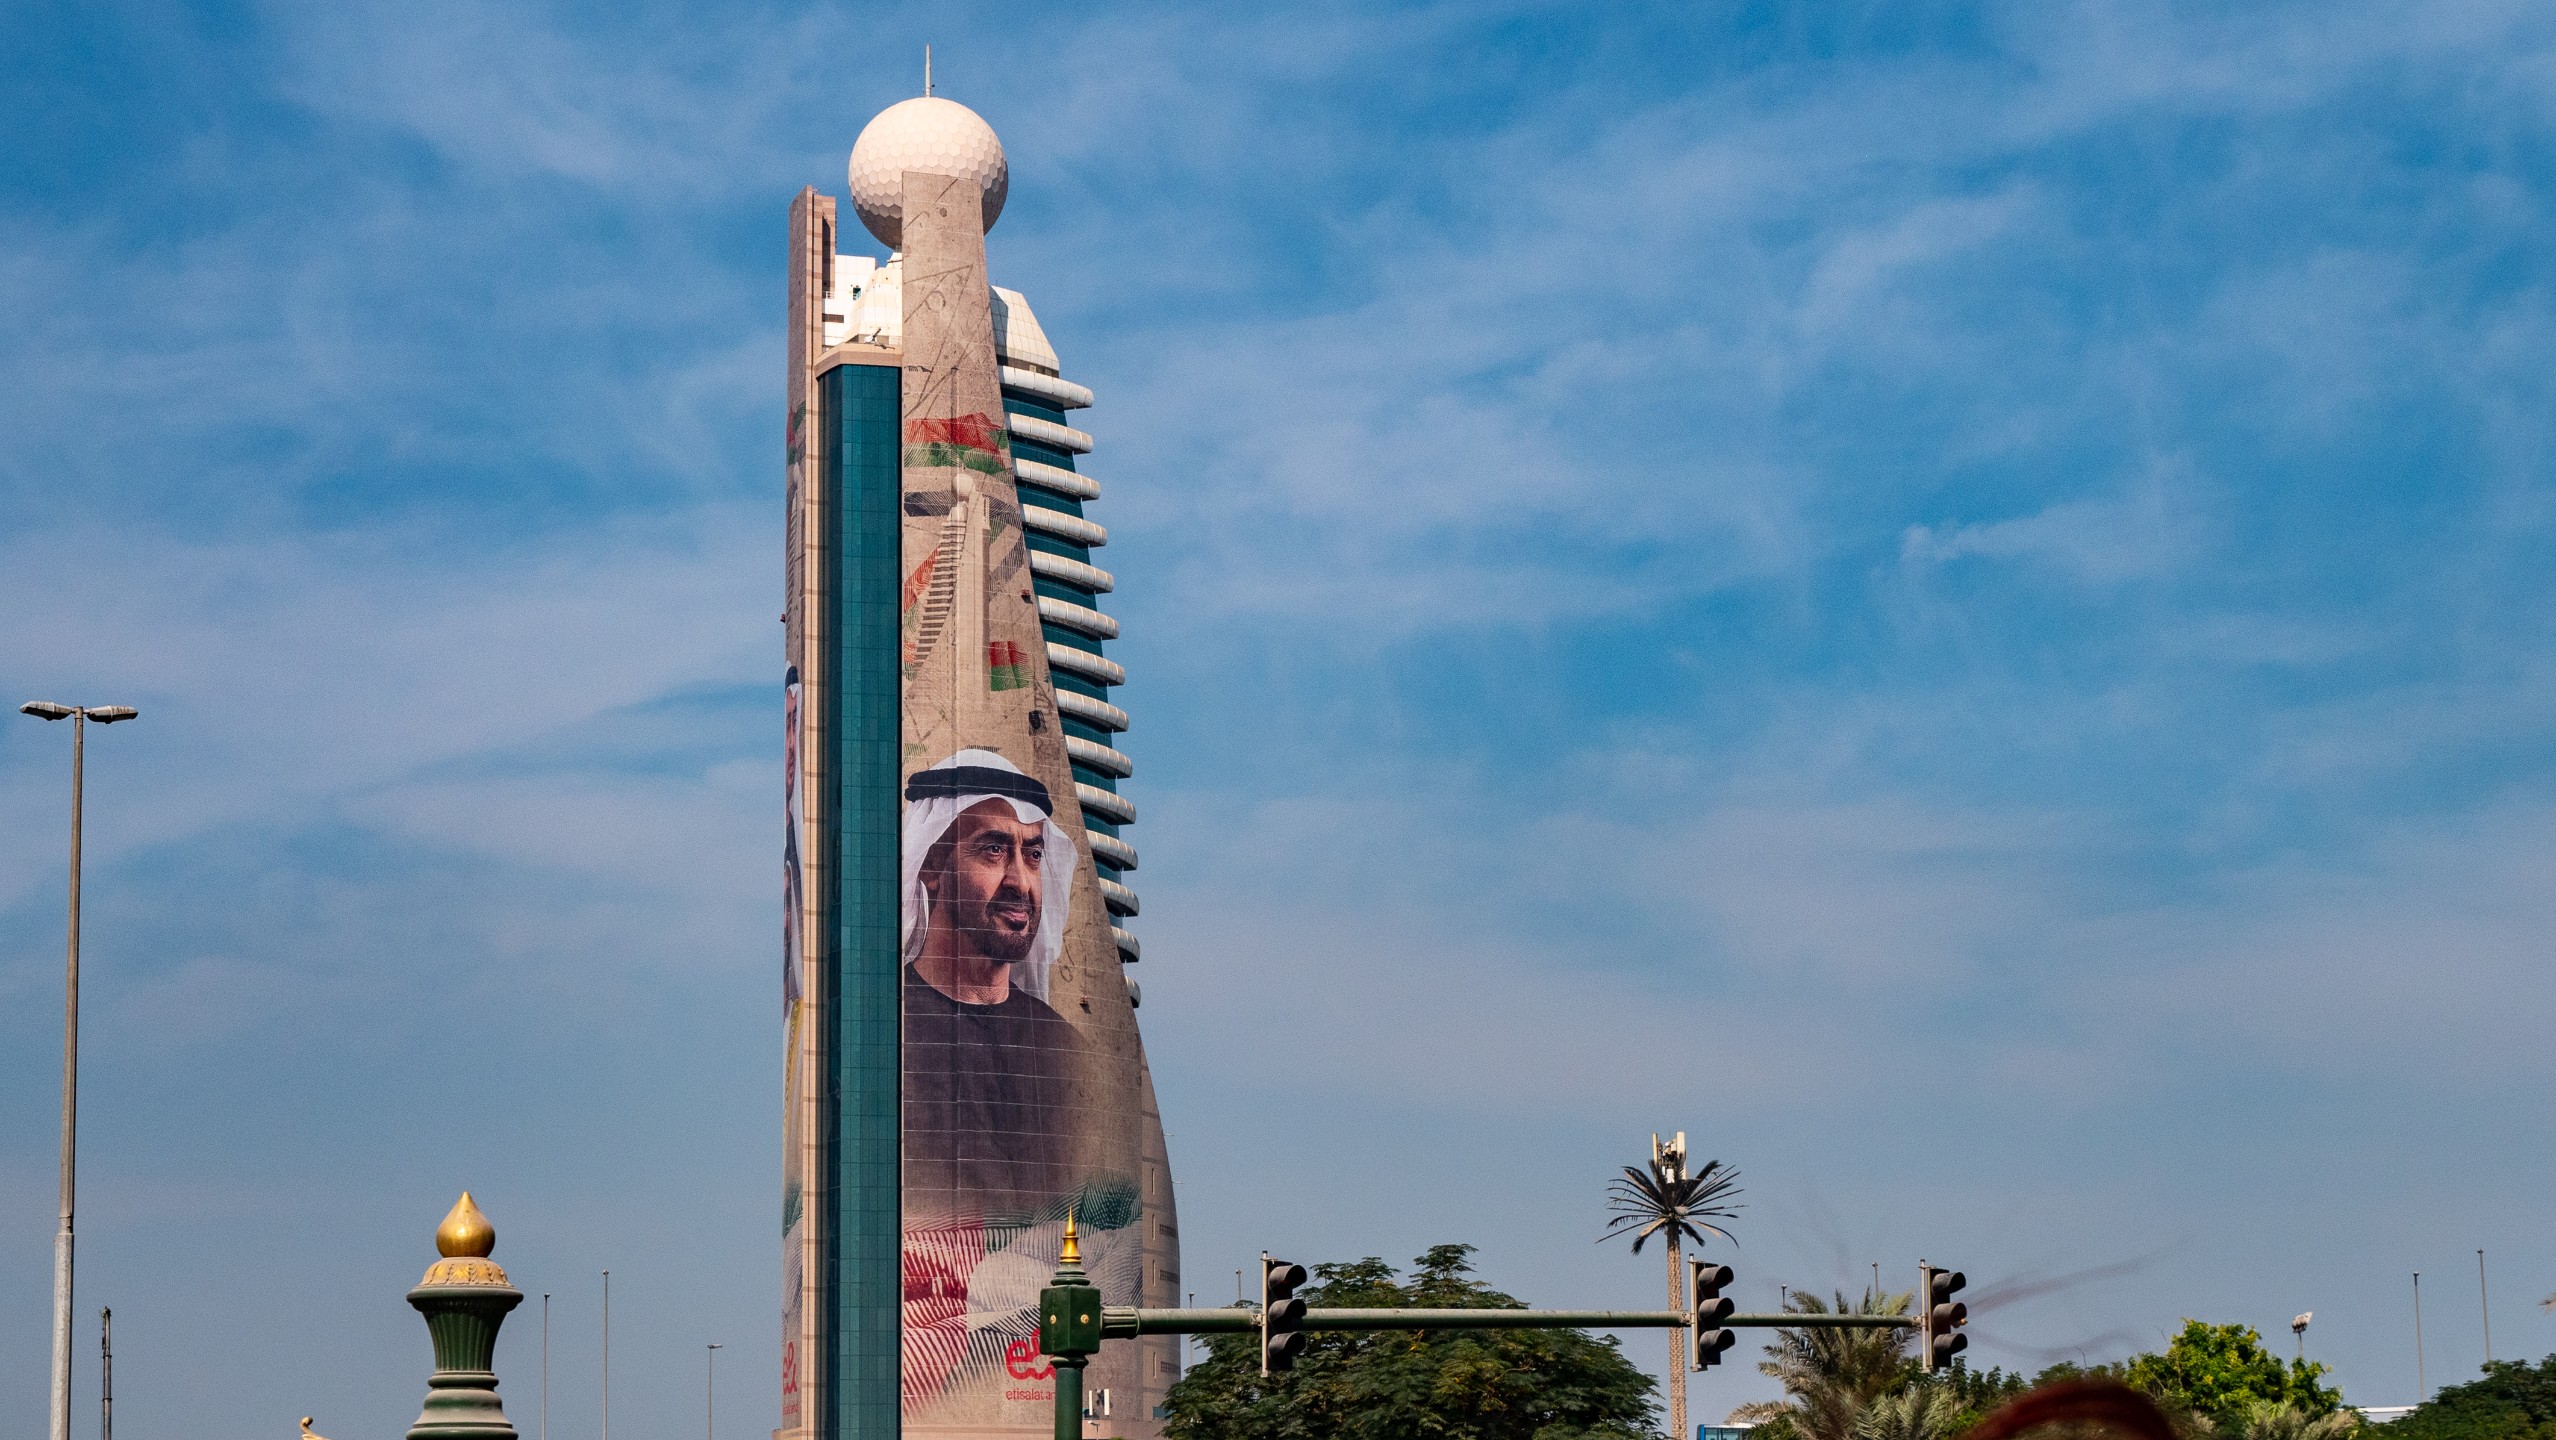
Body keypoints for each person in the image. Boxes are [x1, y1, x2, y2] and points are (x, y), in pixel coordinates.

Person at [900, 748, 1086, 1221]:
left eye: (1033, 855)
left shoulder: (1063, 1048)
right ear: (931, 867)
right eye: (994, 850)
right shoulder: (884, 1032)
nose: (1020, 882)